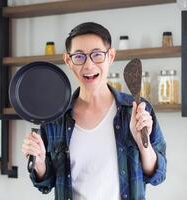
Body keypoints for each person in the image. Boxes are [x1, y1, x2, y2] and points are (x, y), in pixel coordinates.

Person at [22, 22, 166, 200]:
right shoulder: (55, 117)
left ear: (110, 56)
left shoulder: (137, 110)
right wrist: (40, 162)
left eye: (97, 55)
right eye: (79, 57)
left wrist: (143, 144)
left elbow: (158, 175)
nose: (89, 65)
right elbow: (46, 183)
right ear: (68, 60)